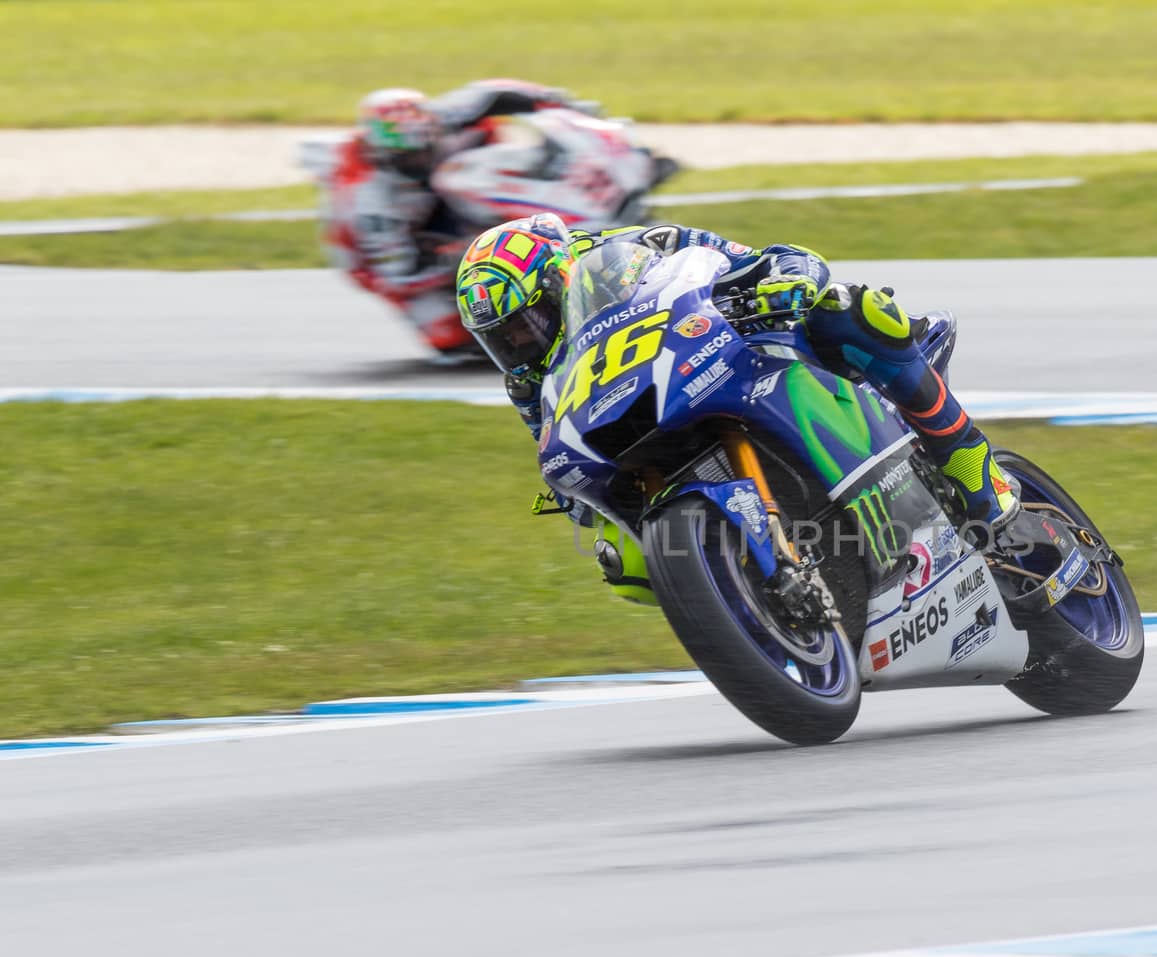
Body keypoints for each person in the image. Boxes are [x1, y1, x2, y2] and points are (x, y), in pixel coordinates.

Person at [453, 214, 1020, 591]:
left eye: (529, 322)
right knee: (623, 563)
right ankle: (751, 596)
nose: (521, 342)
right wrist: (574, 497)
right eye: (503, 338)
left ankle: (974, 472)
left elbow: (766, 257)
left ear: (558, 282)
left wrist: (786, 280)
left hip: (733, 347)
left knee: (855, 310)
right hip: (646, 414)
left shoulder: (634, 248)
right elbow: (553, 434)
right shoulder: (528, 380)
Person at [317, 79, 603, 360]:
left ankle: (565, 205)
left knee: (463, 169)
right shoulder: (370, 203)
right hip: (389, 262)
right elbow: (399, 274)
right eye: (408, 156)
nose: (421, 160)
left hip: (434, 204)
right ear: (380, 153)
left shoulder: (434, 119)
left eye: (425, 148)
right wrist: (460, 257)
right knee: (454, 333)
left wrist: (560, 103)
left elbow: (495, 92)